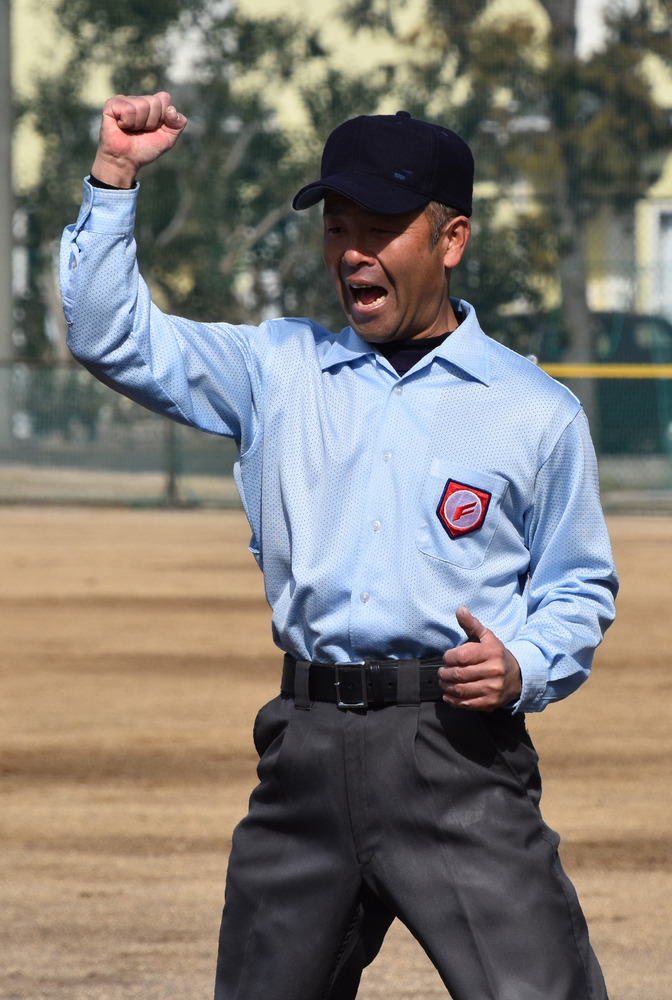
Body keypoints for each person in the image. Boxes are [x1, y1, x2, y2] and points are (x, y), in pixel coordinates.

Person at [60, 91, 618, 1000]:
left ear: (451, 240)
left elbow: (578, 585)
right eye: (338, 227)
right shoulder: (277, 370)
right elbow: (109, 333)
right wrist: (115, 176)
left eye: (382, 228)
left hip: (458, 755)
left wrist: (524, 664)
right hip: (305, 757)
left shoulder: (534, 412)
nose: (352, 251)